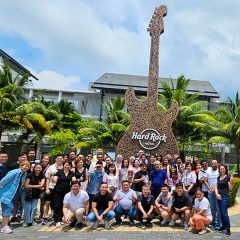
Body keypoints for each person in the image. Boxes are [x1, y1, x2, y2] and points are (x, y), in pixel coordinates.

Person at [0, 161, 30, 234]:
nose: (26, 167)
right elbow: (3, 181)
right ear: (21, 165)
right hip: (7, 193)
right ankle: (4, 227)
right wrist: (2, 191)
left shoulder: (24, 174)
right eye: (25, 165)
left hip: (14, 194)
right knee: (7, 208)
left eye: (28, 166)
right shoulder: (14, 172)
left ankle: (4, 225)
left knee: (9, 209)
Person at [52, 161, 75, 227]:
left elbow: (74, 180)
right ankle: (57, 220)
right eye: (66, 164)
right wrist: (53, 179)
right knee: (57, 205)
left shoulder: (71, 173)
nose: (67, 166)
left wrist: (78, 180)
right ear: (63, 165)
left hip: (67, 191)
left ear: (70, 166)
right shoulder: (59, 171)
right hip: (58, 191)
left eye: (69, 165)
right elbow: (55, 179)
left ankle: (63, 218)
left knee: (64, 205)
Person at [43, 154, 63, 225]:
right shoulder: (51, 167)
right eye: (58, 158)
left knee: (57, 203)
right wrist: (47, 188)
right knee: (47, 202)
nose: (60, 159)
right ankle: (45, 217)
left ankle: (56, 217)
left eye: (61, 158)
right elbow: (47, 178)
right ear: (55, 159)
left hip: (60, 188)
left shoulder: (64, 167)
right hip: (51, 187)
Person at [215, 164, 232, 236]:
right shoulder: (218, 177)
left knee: (224, 213)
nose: (222, 170)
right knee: (221, 212)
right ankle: (223, 226)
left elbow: (230, 188)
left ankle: (228, 229)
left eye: (223, 169)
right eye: (220, 169)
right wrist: (216, 194)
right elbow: (216, 187)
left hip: (225, 197)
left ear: (225, 169)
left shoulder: (227, 177)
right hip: (218, 197)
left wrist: (231, 181)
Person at [205, 159, 221, 230]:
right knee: (212, 208)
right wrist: (210, 189)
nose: (214, 165)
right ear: (211, 164)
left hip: (218, 193)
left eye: (215, 164)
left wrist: (214, 189)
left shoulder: (220, 171)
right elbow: (205, 181)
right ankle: (213, 222)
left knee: (218, 208)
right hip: (210, 193)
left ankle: (218, 224)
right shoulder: (208, 171)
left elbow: (220, 181)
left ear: (217, 164)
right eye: (213, 164)